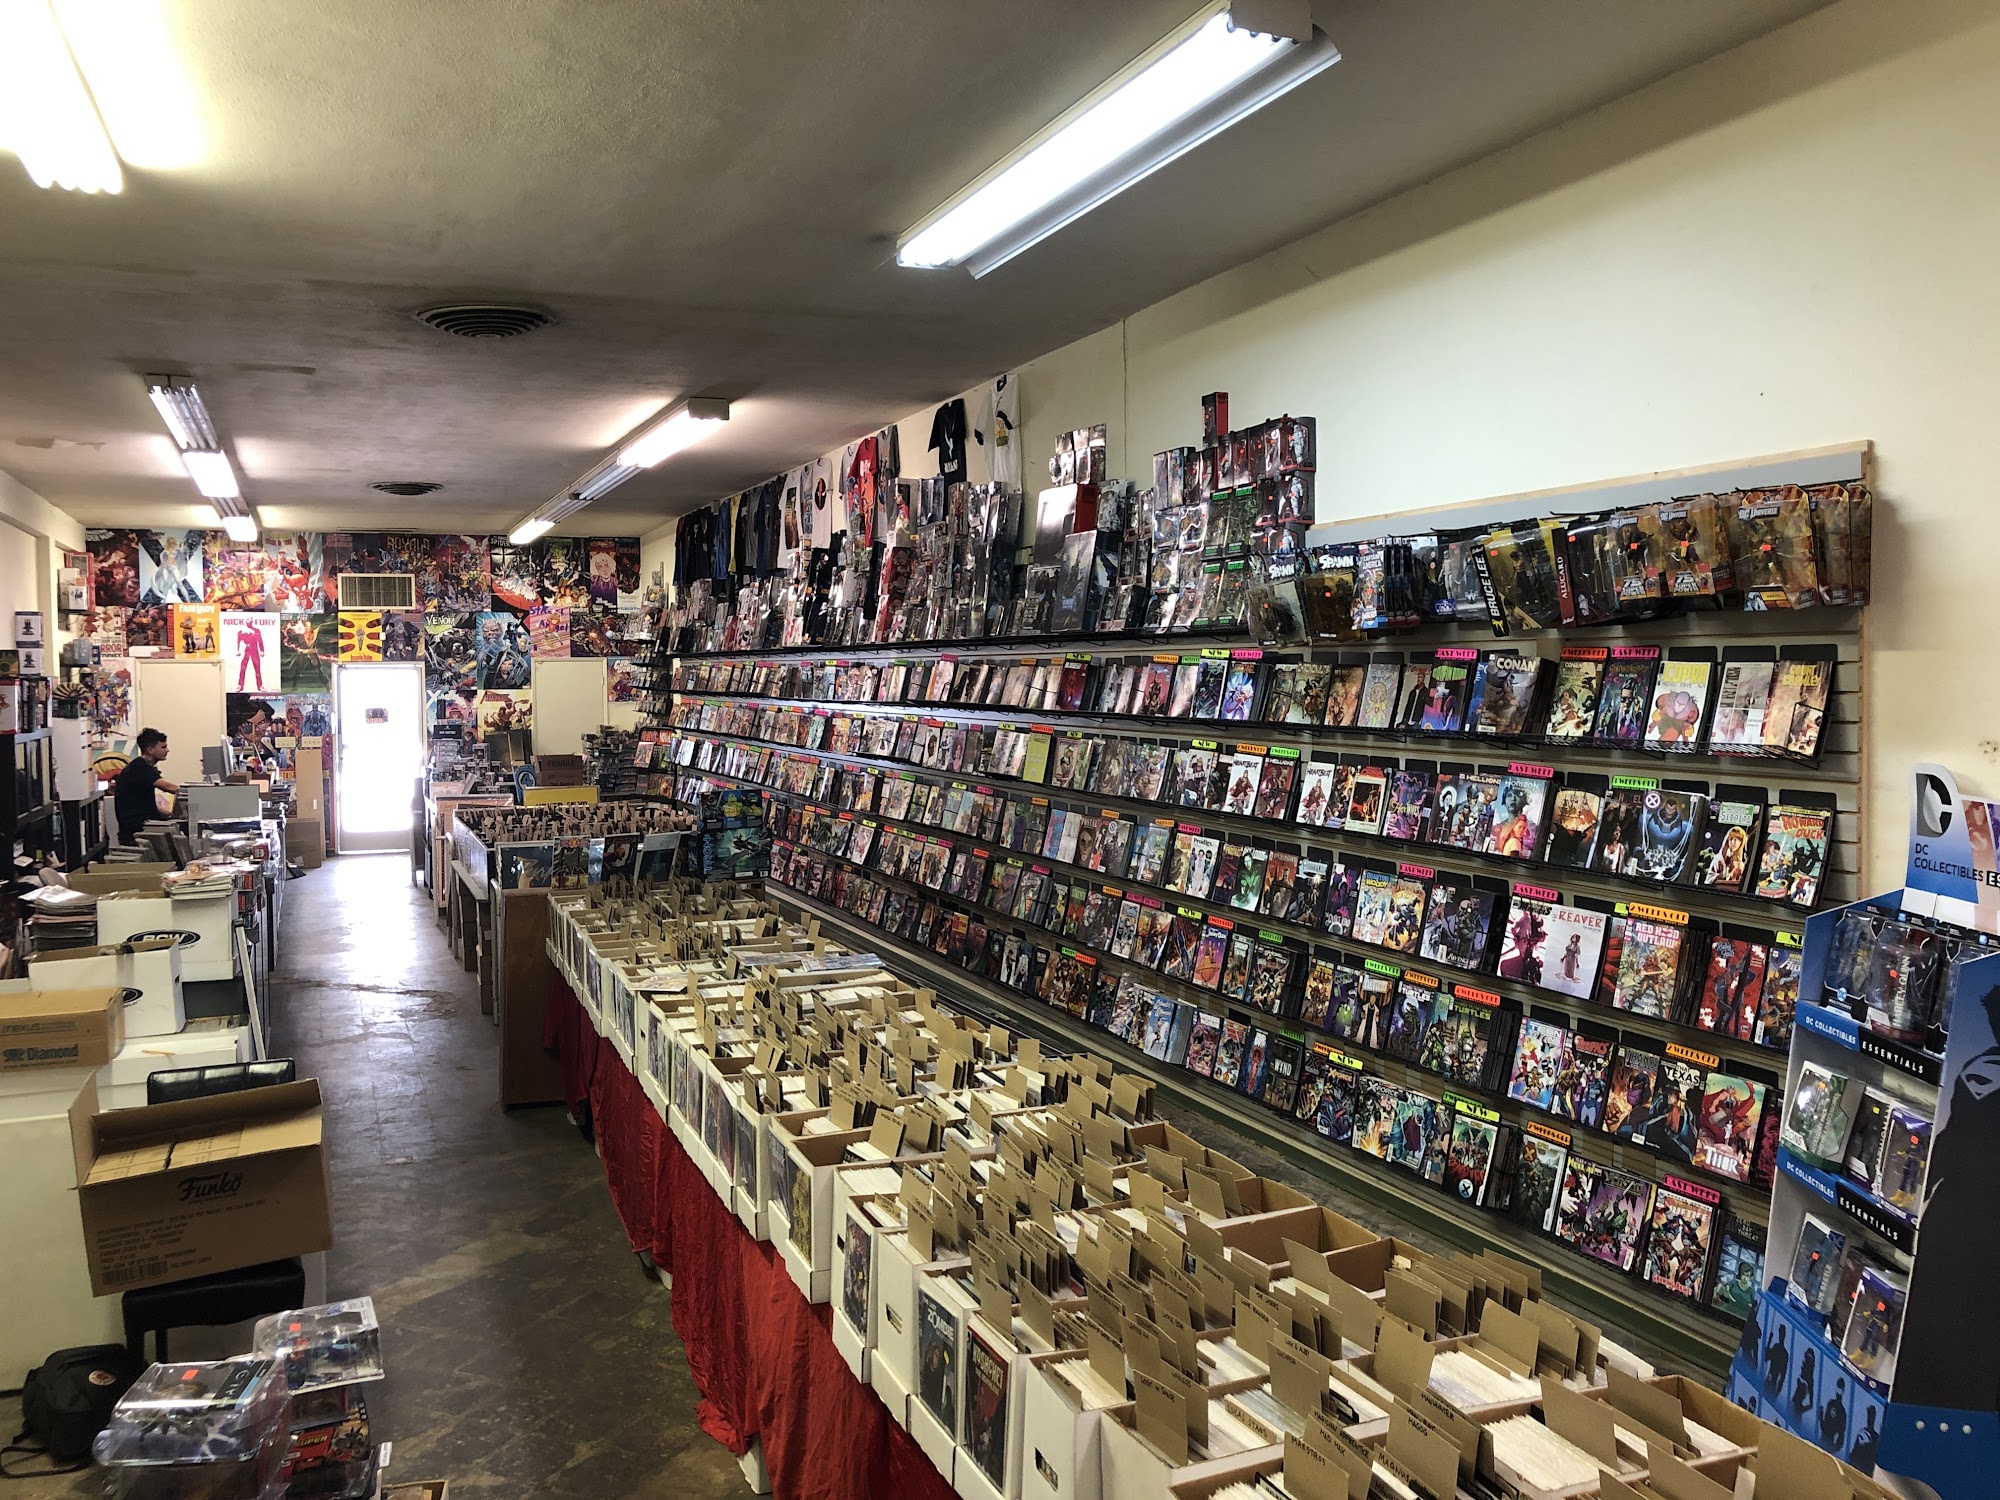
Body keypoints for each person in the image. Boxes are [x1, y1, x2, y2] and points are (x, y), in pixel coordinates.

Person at [114, 728, 179, 843]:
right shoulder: (140, 768)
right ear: (150, 750)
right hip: (137, 832)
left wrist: (169, 814)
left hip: (139, 827)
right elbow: (167, 787)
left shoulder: (139, 766)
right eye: (163, 747)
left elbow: (145, 804)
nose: (167, 750)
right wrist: (194, 792)